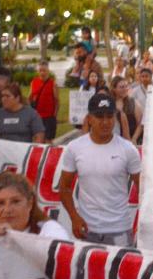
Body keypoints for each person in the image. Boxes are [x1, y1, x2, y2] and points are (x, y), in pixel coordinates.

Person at [60, 93, 142, 246]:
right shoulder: (74, 148)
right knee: (85, 271)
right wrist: (74, 217)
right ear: (89, 118)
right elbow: (64, 188)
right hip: (86, 229)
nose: (105, 122)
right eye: (99, 116)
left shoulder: (128, 150)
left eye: (109, 116)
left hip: (120, 229)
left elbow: (143, 190)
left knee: (120, 270)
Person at [28, 61, 59, 143]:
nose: (42, 73)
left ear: (48, 71)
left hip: (49, 117)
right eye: (40, 70)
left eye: (44, 70)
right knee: (38, 140)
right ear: (38, 71)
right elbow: (30, 97)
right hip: (37, 116)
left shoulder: (53, 83)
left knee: (48, 140)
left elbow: (57, 101)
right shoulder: (34, 82)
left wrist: (54, 115)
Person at [110, 76, 136, 142]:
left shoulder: (132, 102)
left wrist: (134, 138)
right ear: (114, 89)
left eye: (126, 86)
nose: (125, 89)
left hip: (130, 140)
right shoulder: (110, 103)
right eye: (121, 87)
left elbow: (140, 123)